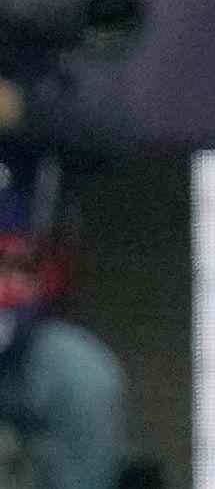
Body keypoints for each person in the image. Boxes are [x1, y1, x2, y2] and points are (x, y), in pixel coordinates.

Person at [0, 77, 128, 489]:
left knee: (86, 378)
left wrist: (22, 111)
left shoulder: (21, 136)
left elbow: (109, 137)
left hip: (18, 343)